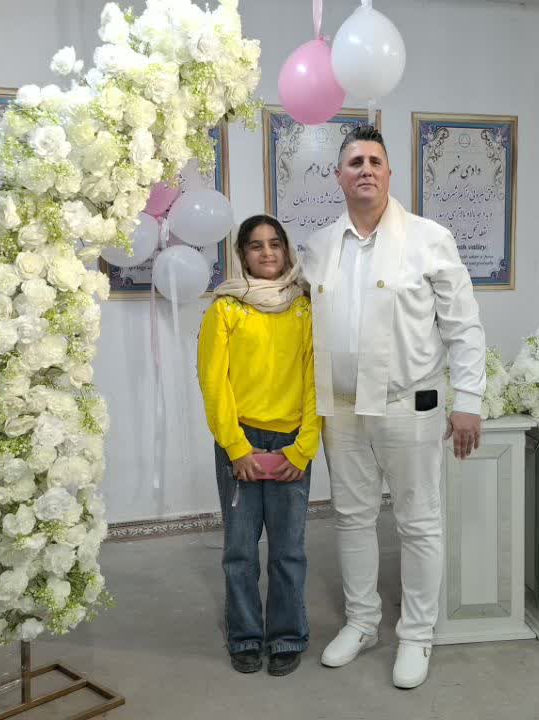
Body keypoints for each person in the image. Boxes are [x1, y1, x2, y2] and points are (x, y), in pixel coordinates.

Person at [301, 125, 486, 689]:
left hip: (409, 404)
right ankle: (362, 623)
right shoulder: (319, 245)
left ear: (389, 173)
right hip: (341, 408)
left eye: (374, 161)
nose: (365, 169)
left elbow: (463, 326)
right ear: (338, 175)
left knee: (419, 521)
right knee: (352, 518)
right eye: (354, 161)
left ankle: (417, 634)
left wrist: (469, 400)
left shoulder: (430, 238)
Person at [197, 215, 320, 676]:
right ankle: (246, 636)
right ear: (241, 255)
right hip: (241, 442)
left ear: (286, 250)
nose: (267, 253)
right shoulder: (225, 309)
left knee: (288, 550)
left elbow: (316, 380)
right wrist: (236, 449)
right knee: (241, 551)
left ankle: (287, 636)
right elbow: (214, 384)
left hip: (291, 443)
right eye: (255, 246)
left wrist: (303, 449)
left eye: (274, 244)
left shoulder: (305, 308)